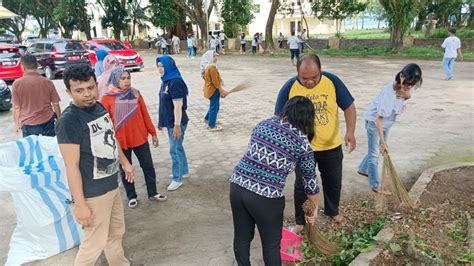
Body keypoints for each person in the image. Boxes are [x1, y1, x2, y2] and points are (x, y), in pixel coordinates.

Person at [55, 64, 136, 265]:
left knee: (116, 233)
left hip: (112, 185)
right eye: (79, 90)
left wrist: (125, 163)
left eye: (90, 88)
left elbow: (111, 136)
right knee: (93, 245)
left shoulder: (98, 107)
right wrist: (80, 204)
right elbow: (71, 165)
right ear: (68, 92)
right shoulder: (69, 120)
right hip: (93, 194)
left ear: (96, 85)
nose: (87, 94)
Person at [230, 96, 321, 265]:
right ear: (309, 118)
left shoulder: (264, 124)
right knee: (271, 245)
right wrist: (314, 209)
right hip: (266, 197)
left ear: (286, 110)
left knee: (242, 236)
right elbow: (310, 182)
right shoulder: (302, 143)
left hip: (237, 185)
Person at [275, 54, 356, 228]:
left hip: (331, 145)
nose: (310, 82)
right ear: (297, 72)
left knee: (333, 181)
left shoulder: (332, 81)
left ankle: (332, 210)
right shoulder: (289, 87)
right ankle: (300, 220)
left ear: (320, 70)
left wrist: (350, 131)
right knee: (302, 185)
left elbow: (349, 106)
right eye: (304, 78)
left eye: (314, 77)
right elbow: (278, 117)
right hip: (302, 149)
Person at [101, 66, 167, 208]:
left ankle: (152, 192)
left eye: (128, 78)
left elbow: (144, 114)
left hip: (139, 137)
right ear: (115, 80)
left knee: (148, 166)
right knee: (125, 169)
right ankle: (132, 196)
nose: (126, 81)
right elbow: (105, 124)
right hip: (120, 142)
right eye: (123, 78)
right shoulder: (107, 98)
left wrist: (153, 133)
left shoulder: (136, 94)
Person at [358, 64, 422, 194]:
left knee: (374, 150)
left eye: (412, 84)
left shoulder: (409, 86)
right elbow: (378, 120)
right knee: (376, 153)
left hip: (387, 123)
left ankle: (363, 169)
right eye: (407, 83)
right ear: (401, 76)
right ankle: (375, 184)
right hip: (374, 122)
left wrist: (407, 95)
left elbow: (409, 94)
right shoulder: (388, 94)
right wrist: (383, 142)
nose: (409, 86)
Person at [156, 55, 190, 191]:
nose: (160, 69)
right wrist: (161, 121)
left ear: (169, 66)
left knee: (174, 149)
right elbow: (163, 103)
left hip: (177, 122)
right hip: (169, 121)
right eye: (158, 66)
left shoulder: (175, 82)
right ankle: (184, 171)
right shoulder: (166, 80)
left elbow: (178, 106)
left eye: (162, 66)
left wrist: (177, 126)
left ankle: (177, 178)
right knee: (178, 147)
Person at [12, 54, 61, 137]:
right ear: (36, 66)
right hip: (48, 122)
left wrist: (17, 124)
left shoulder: (17, 84)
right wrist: (59, 120)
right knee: (48, 148)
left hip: (28, 124)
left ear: (22, 67)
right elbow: (56, 104)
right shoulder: (47, 82)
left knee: (32, 149)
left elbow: (16, 107)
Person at [200, 50, 229, 131]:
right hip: (213, 90)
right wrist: (221, 91)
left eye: (217, 55)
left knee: (214, 106)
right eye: (215, 56)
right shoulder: (211, 67)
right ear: (210, 57)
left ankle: (206, 120)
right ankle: (211, 125)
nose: (217, 57)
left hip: (210, 89)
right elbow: (215, 82)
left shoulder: (208, 66)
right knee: (214, 107)